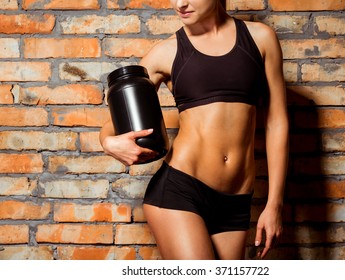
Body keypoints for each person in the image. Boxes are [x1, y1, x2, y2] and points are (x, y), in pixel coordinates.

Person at [100, 0, 288, 260]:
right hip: (180, 192)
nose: (180, 3)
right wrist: (108, 143)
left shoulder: (260, 38)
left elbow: (276, 122)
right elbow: (111, 126)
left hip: (236, 200)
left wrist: (274, 204)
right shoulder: (165, 52)